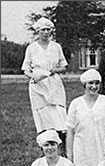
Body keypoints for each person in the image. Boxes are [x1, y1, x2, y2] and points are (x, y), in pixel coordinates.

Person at [21, 17, 69, 155]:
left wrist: (54, 71)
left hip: (54, 84)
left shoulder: (56, 47)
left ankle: (63, 150)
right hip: (38, 86)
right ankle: (46, 151)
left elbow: (64, 67)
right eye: (43, 30)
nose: (46, 32)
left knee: (59, 116)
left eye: (48, 29)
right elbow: (26, 69)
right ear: (38, 31)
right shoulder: (31, 48)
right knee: (43, 118)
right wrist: (34, 77)